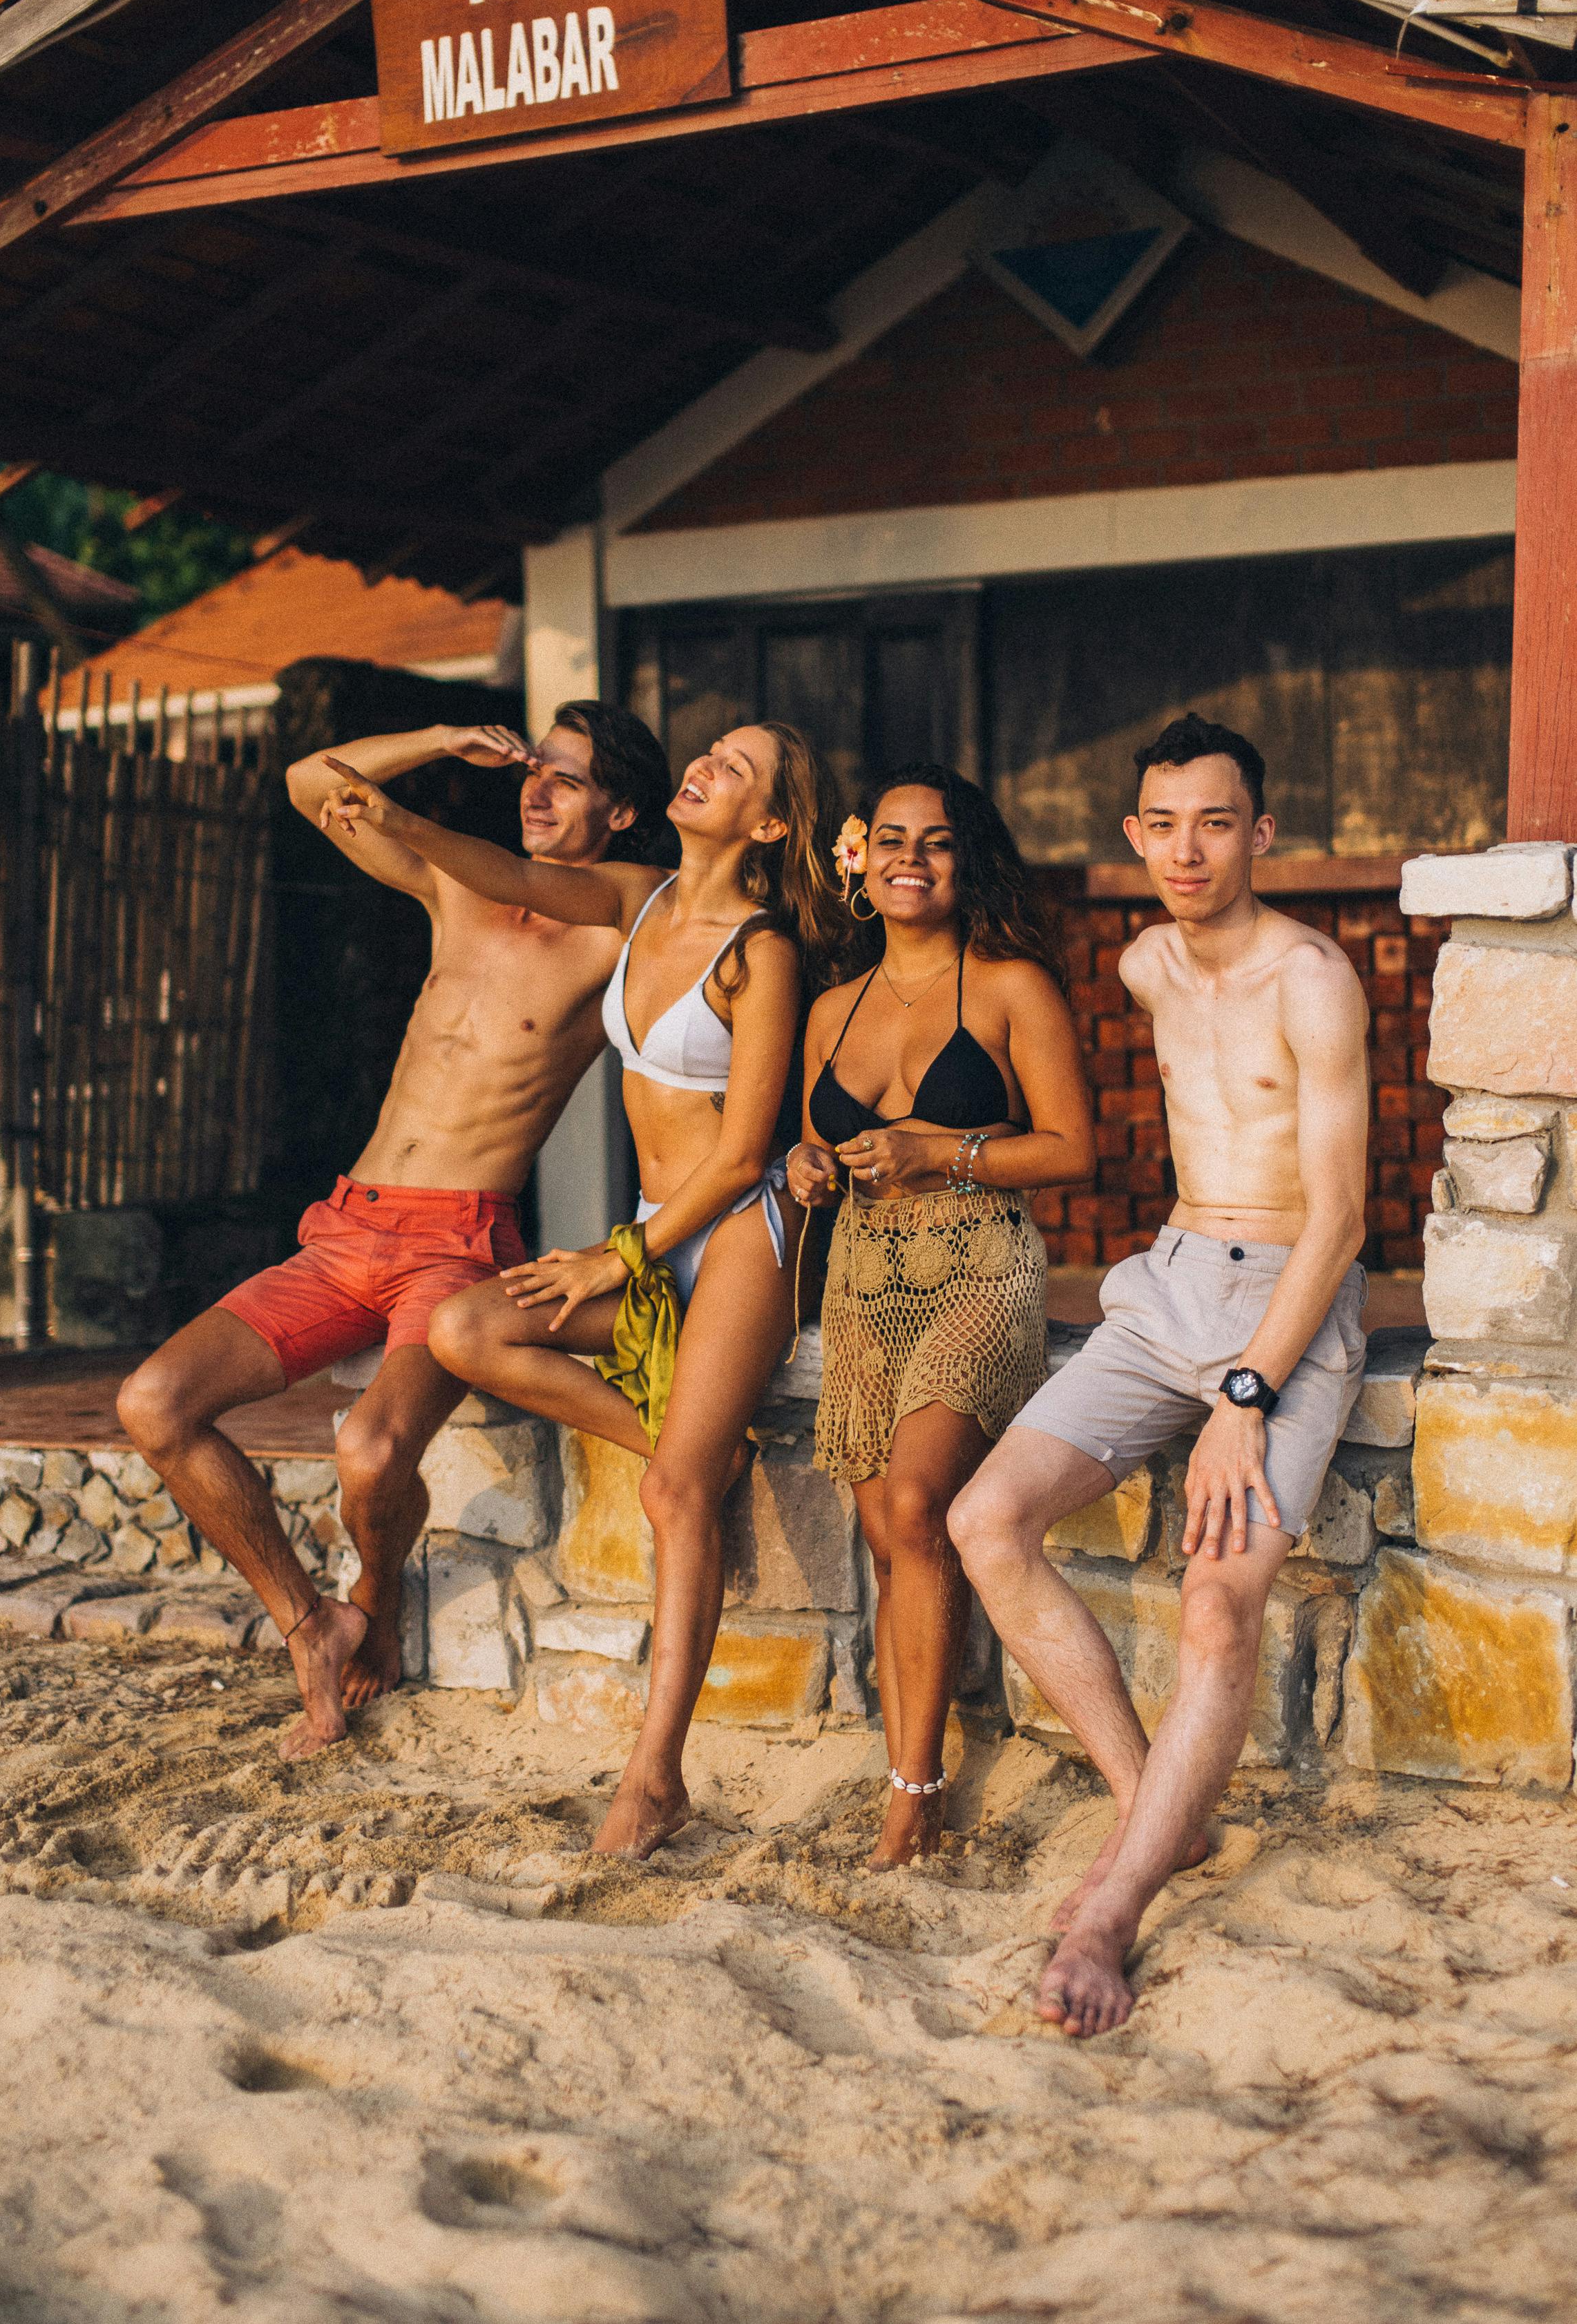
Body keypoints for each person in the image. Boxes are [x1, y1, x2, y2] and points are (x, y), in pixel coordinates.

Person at [316, 721, 846, 1858]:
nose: (704, 764)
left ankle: (655, 1776)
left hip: (735, 1238)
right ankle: (687, 1440)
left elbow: (744, 1152)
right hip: (653, 1237)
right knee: (467, 1325)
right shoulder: (636, 902)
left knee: (673, 1502)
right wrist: (397, 818)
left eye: (735, 770)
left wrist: (623, 1256)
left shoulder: (762, 952)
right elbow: (502, 871)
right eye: (709, 753)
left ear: (766, 825)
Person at [117, 702, 675, 1758]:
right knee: (153, 1403)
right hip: (347, 1228)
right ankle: (310, 1622)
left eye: (568, 777)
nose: (537, 789)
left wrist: (415, 819)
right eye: (532, 770)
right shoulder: (456, 890)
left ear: (624, 809)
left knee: (370, 1456)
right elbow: (303, 781)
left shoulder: (627, 917)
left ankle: (374, 1588)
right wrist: (434, 743)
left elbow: (623, 896)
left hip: (458, 1246)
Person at [948, 713, 1370, 2036]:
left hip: (1291, 1291)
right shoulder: (1141, 964)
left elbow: (1346, 1217)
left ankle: (1109, 1913)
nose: (1188, 850)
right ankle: (1154, 1815)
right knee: (985, 1521)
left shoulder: (1311, 977)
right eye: (1163, 823)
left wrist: (1247, 1391)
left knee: (1214, 1602)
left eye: (1216, 821)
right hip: (1170, 1274)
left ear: (1261, 833)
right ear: (1134, 836)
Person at [788, 765, 1093, 1869]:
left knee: (916, 1500)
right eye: (893, 839)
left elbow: (1073, 1149)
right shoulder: (831, 1005)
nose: (912, 857)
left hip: (980, 1268)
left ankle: (914, 1800)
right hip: (862, 1280)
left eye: (940, 842)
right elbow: (809, 1147)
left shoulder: (1009, 984)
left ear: (969, 864)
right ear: (860, 861)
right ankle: (914, 1754)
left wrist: (942, 1150)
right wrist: (807, 1163)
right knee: (886, 1538)